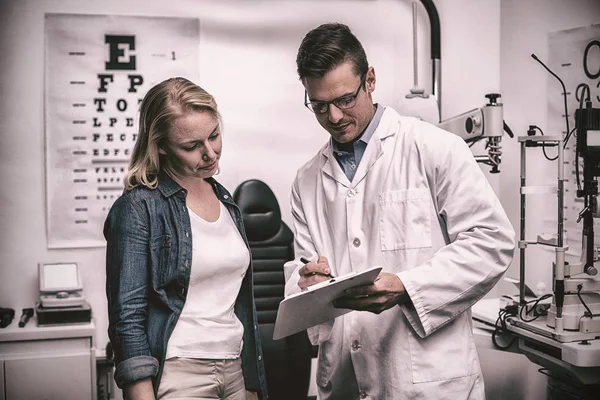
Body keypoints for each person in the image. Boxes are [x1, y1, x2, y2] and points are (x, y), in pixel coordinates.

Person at [284, 23, 515, 399]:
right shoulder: (307, 179)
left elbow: (493, 242)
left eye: (345, 99)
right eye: (319, 106)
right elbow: (305, 272)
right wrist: (305, 282)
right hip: (345, 378)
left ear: (370, 79)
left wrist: (408, 286)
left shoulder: (435, 148)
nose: (335, 117)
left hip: (427, 380)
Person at [104, 77, 268, 400]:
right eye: (192, 146)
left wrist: (249, 383)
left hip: (235, 367)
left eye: (214, 136)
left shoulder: (226, 201)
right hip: (179, 374)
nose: (210, 154)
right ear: (161, 145)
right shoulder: (137, 208)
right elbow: (127, 318)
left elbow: (236, 304)